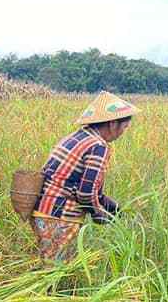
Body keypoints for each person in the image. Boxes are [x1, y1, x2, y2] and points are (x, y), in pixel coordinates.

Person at [32, 92, 139, 262]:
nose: (123, 132)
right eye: (124, 127)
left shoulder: (78, 137)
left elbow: (84, 187)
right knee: (54, 270)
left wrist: (115, 209)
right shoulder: (98, 146)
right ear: (112, 124)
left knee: (47, 263)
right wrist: (98, 215)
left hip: (43, 209)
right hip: (60, 216)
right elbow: (86, 194)